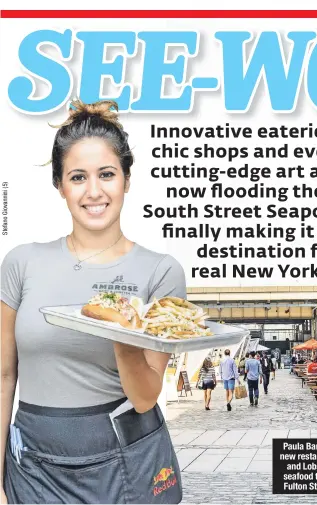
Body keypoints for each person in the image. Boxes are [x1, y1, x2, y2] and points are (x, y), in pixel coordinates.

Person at [0, 99, 185, 504]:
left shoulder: (161, 272)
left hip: (126, 459)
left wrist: (121, 333)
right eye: (78, 177)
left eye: (107, 174)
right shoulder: (21, 263)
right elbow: (3, 377)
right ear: (60, 186)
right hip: (34, 466)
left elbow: (144, 397)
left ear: (126, 180)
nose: (94, 191)